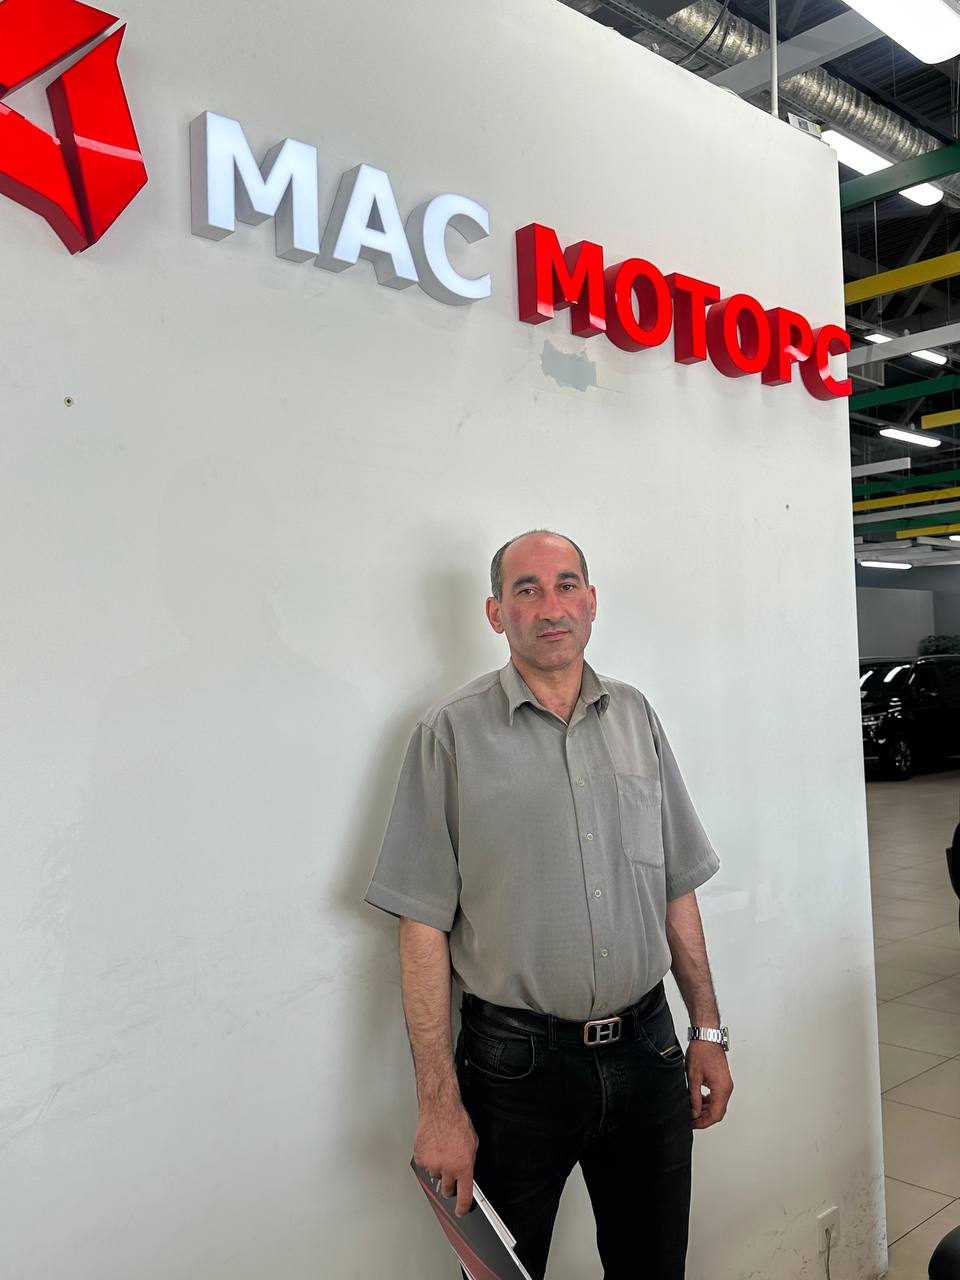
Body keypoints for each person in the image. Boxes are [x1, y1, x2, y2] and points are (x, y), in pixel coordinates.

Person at [364, 530, 733, 1279]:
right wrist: (439, 1106)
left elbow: (675, 886)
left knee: (653, 1267)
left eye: (566, 585)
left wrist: (707, 1029)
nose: (551, 607)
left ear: (592, 602)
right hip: (514, 1072)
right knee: (505, 1274)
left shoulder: (636, 717)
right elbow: (421, 926)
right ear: (496, 612)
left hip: (649, 1049)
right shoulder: (448, 735)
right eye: (526, 590)